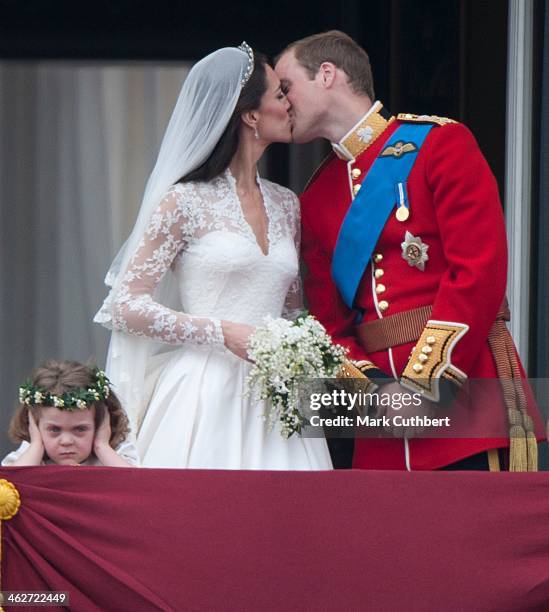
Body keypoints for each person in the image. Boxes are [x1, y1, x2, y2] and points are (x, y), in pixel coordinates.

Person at [275, 30, 545, 471]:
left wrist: (425, 385)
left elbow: (479, 272)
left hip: (466, 403)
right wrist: (377, 391)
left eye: (287, 88)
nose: (282, 103)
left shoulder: (440, 145)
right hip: (381, 426)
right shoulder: (316, 196)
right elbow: (328, 322)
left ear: (327, 75)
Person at [94, 43, 332, 470]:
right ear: (250, 115)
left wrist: (306, 352)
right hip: (203, 394)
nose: (290, 104)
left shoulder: (286, 204)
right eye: (280, 94)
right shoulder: (182, 202)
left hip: (277, 399)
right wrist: (222, 332)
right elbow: (125, 306)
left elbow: (292, 310)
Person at [3, 360, 138, 467]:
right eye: (54, 429)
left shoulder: (116, 456)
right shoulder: (27, 457)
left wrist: (101, 446)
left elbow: (138, 487)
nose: (66, 441)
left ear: (100, 425)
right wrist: (36, 446)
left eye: (80, 429)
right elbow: (8, 487)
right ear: (34, 426)